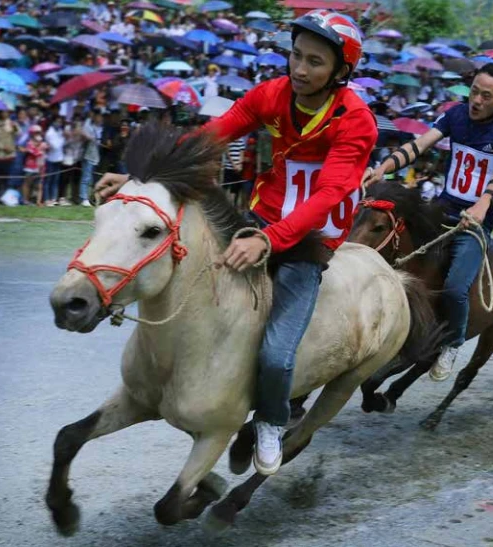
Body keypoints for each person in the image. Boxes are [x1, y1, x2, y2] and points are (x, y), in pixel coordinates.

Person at [95, 10, 376, 476]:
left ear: (341, 72)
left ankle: (270, 419)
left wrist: (269, 241)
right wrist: (139, 180)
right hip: (261, 217)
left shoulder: (357, 122)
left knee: (276, 351)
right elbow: (208, 138)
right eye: (296, 56)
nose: (300, 69)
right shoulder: (272, 94)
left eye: (315, 62)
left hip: (310, 239)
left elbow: (328, 196)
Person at [364, 62, 493, 381]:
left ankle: (451, 342)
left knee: (454, 289)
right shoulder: (455, 114)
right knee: (391, 244)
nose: (476, 100)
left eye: (486, 96)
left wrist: (483, 204)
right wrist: (383, 167)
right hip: (440, 210)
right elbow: (419, 145)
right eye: (474, 91)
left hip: (474, 223)